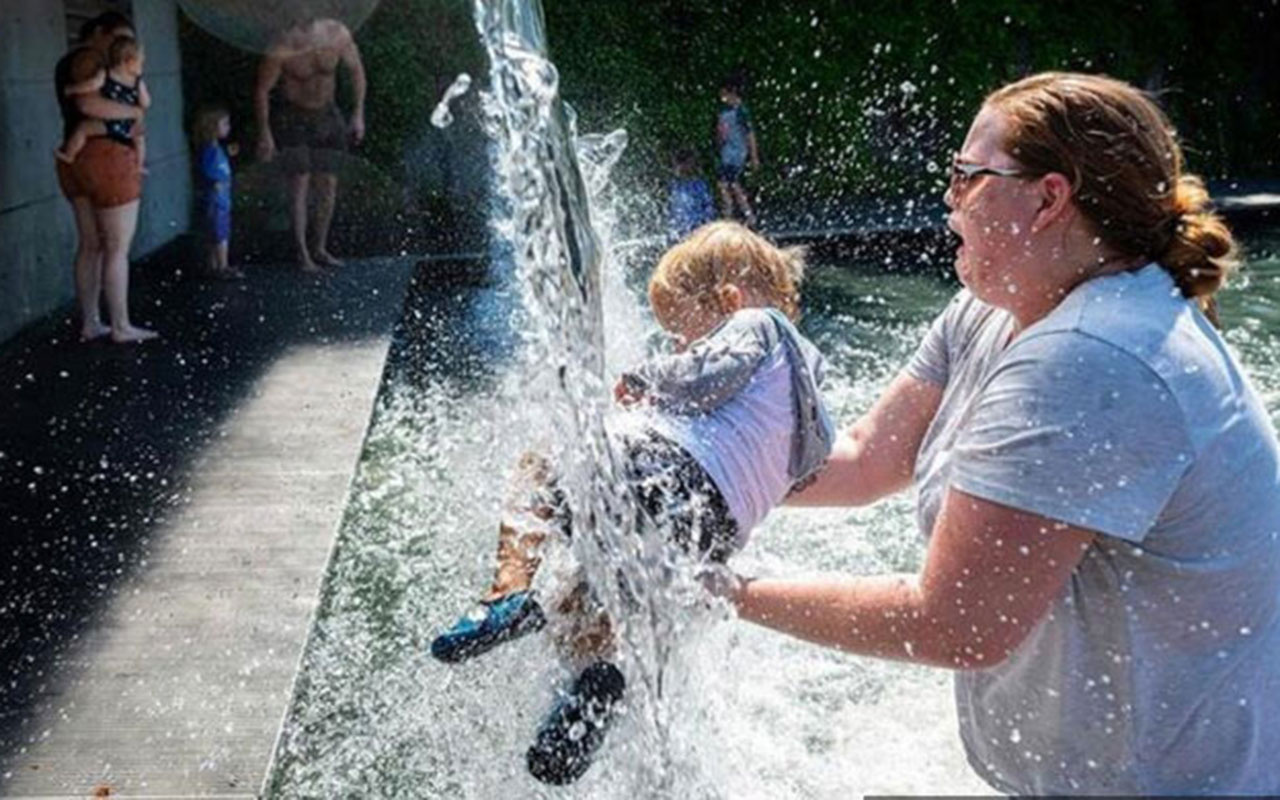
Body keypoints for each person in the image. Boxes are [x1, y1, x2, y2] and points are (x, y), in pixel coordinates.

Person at [709, 72, 1280, 795]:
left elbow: (955, 623)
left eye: (967, 177)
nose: (948, 200)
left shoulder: (1095, 357)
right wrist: (691, 468)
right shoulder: (994, 306)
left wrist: (718, 589)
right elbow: (861, 459)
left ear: (1049, 199)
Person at [430, 221, 835, 785]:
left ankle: (506, 593)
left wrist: (649, 378)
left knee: (543, 459)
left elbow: (711, 371)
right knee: (583, 600)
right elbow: (810, 463)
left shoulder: (754, 324)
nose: (678, 346)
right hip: (706, 535)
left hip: (663, 479)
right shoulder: (811, 391)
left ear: (728, 300)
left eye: (681, 334)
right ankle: (598, 680)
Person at [53, 12, 157, 343]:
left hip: (78, 160)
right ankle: (121, 325)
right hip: (107, 157)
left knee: (91, 244)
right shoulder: (90, 60)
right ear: (99, 33)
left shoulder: (70, 62)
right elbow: (88, 103)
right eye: (118, 39)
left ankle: (91, 321)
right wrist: (134, 112)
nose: (121, 48)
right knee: (116, 247)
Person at [254, 17, 367, 273]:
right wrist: (265, 132)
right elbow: (262, 90)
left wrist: (358, 114)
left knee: (328, 183)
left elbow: (357, 70)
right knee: (300, 183)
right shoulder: (283, 44)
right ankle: (302, 252)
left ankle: (320, 247)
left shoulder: (336, 33)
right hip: (294, 117)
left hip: (328, 115)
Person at [56, 35, 150, 172]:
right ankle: (139, 165)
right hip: (128, 126)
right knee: (140, 140)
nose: (142, 66)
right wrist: (139, 106)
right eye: (141, 62)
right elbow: (146, 102)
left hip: (109, 124)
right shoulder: (137, 82)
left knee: (83, 129)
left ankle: (69, 154)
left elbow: (91, 85)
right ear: (128, 61)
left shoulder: (105, 74)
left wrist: (72, 89)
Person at [191, 105, 242, 280]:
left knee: (216, 232)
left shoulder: (215, 149)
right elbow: (208, 171)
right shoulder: (210, 151)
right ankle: (222, 266)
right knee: (220, 233)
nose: (228, 127)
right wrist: (217, 182)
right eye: (224, 124)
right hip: (217, 198)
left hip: (221, 198)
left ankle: (214, 265)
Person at [713, 76, 760, 226]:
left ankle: (745, 215)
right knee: (723, 184)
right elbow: (721, 134)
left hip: (737, 154)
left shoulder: (741, 111)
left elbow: (750, 135)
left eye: (724, 94)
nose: (722, 98)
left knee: (732, 184)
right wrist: (719, 138)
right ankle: (731, 214)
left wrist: (754, 156)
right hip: (726, 154)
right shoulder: (723, 111)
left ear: (732, 93)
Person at [666, 147, 716, 241]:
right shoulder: (674, 185)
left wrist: (707, 228)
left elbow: (709, 210)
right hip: (678, 232)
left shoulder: (699, 185)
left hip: (696, 231)